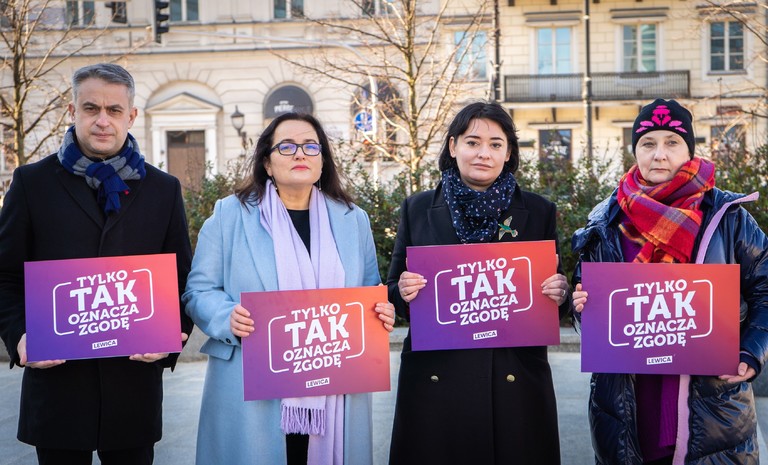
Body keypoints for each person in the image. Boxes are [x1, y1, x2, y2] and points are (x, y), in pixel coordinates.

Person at [0, 63, 193, 464]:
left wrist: (174, 334)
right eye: (91, 108)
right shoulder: (32, 183)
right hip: (58, 387)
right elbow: (5, 275)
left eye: (114, 110)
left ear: (131, 116)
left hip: (133, 388)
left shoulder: (163, 189)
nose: (103, 120)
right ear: (72, 111)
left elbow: (182, 280)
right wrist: (19, 337)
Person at [182, 112, 396, 465]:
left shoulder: (353, 218)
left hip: (336, 384)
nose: (300, 153)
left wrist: (381, 310)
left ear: (322, 161)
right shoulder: (230, 215)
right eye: (287, 146)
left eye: (311, 146)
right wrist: (226, 316)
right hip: (252, 386)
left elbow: (368, 291)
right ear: (267, 162)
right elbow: (198, 291)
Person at [571, 98, 768, 464]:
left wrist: (751, 352)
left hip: (713, 417)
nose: (659, 154)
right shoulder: (606, 221)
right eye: (648, 143)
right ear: (635, 151)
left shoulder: (728, 217)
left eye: (672, 142)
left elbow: (765, 289)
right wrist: (582, 307)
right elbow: (587, 303)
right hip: (627, 411)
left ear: (689, 150)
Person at [387, 101, 571, 464]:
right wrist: (403, 291)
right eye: (473, 142)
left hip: (513, 377)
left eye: (495, 144)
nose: (483, 153)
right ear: (453, 146)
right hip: (437, 379)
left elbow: (557, 298)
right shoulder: (417, 209)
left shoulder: (539, 211)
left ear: (509, 152)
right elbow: (392, 294)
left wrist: (560, 292)